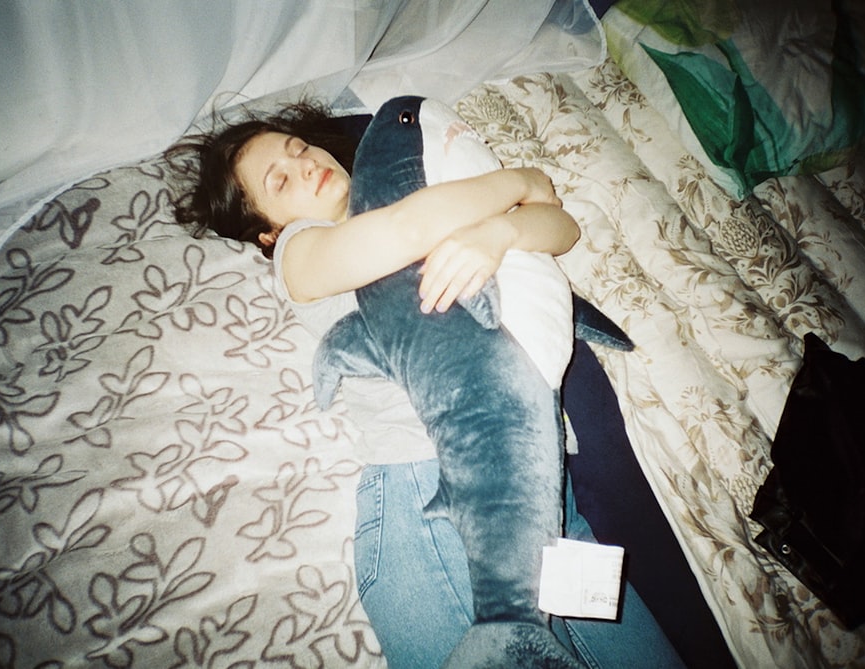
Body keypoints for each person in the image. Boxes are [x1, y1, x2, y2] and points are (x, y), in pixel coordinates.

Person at [167, 101, 692, 668]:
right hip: (425, 494)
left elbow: (561, 230)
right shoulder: (301, 255)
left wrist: (500, 230)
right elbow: (409, 227)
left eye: (300, 149)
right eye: (281, 179)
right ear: (268, 233)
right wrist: (521, 180)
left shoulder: (428, 193)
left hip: (541, 491)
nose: (306, 165)